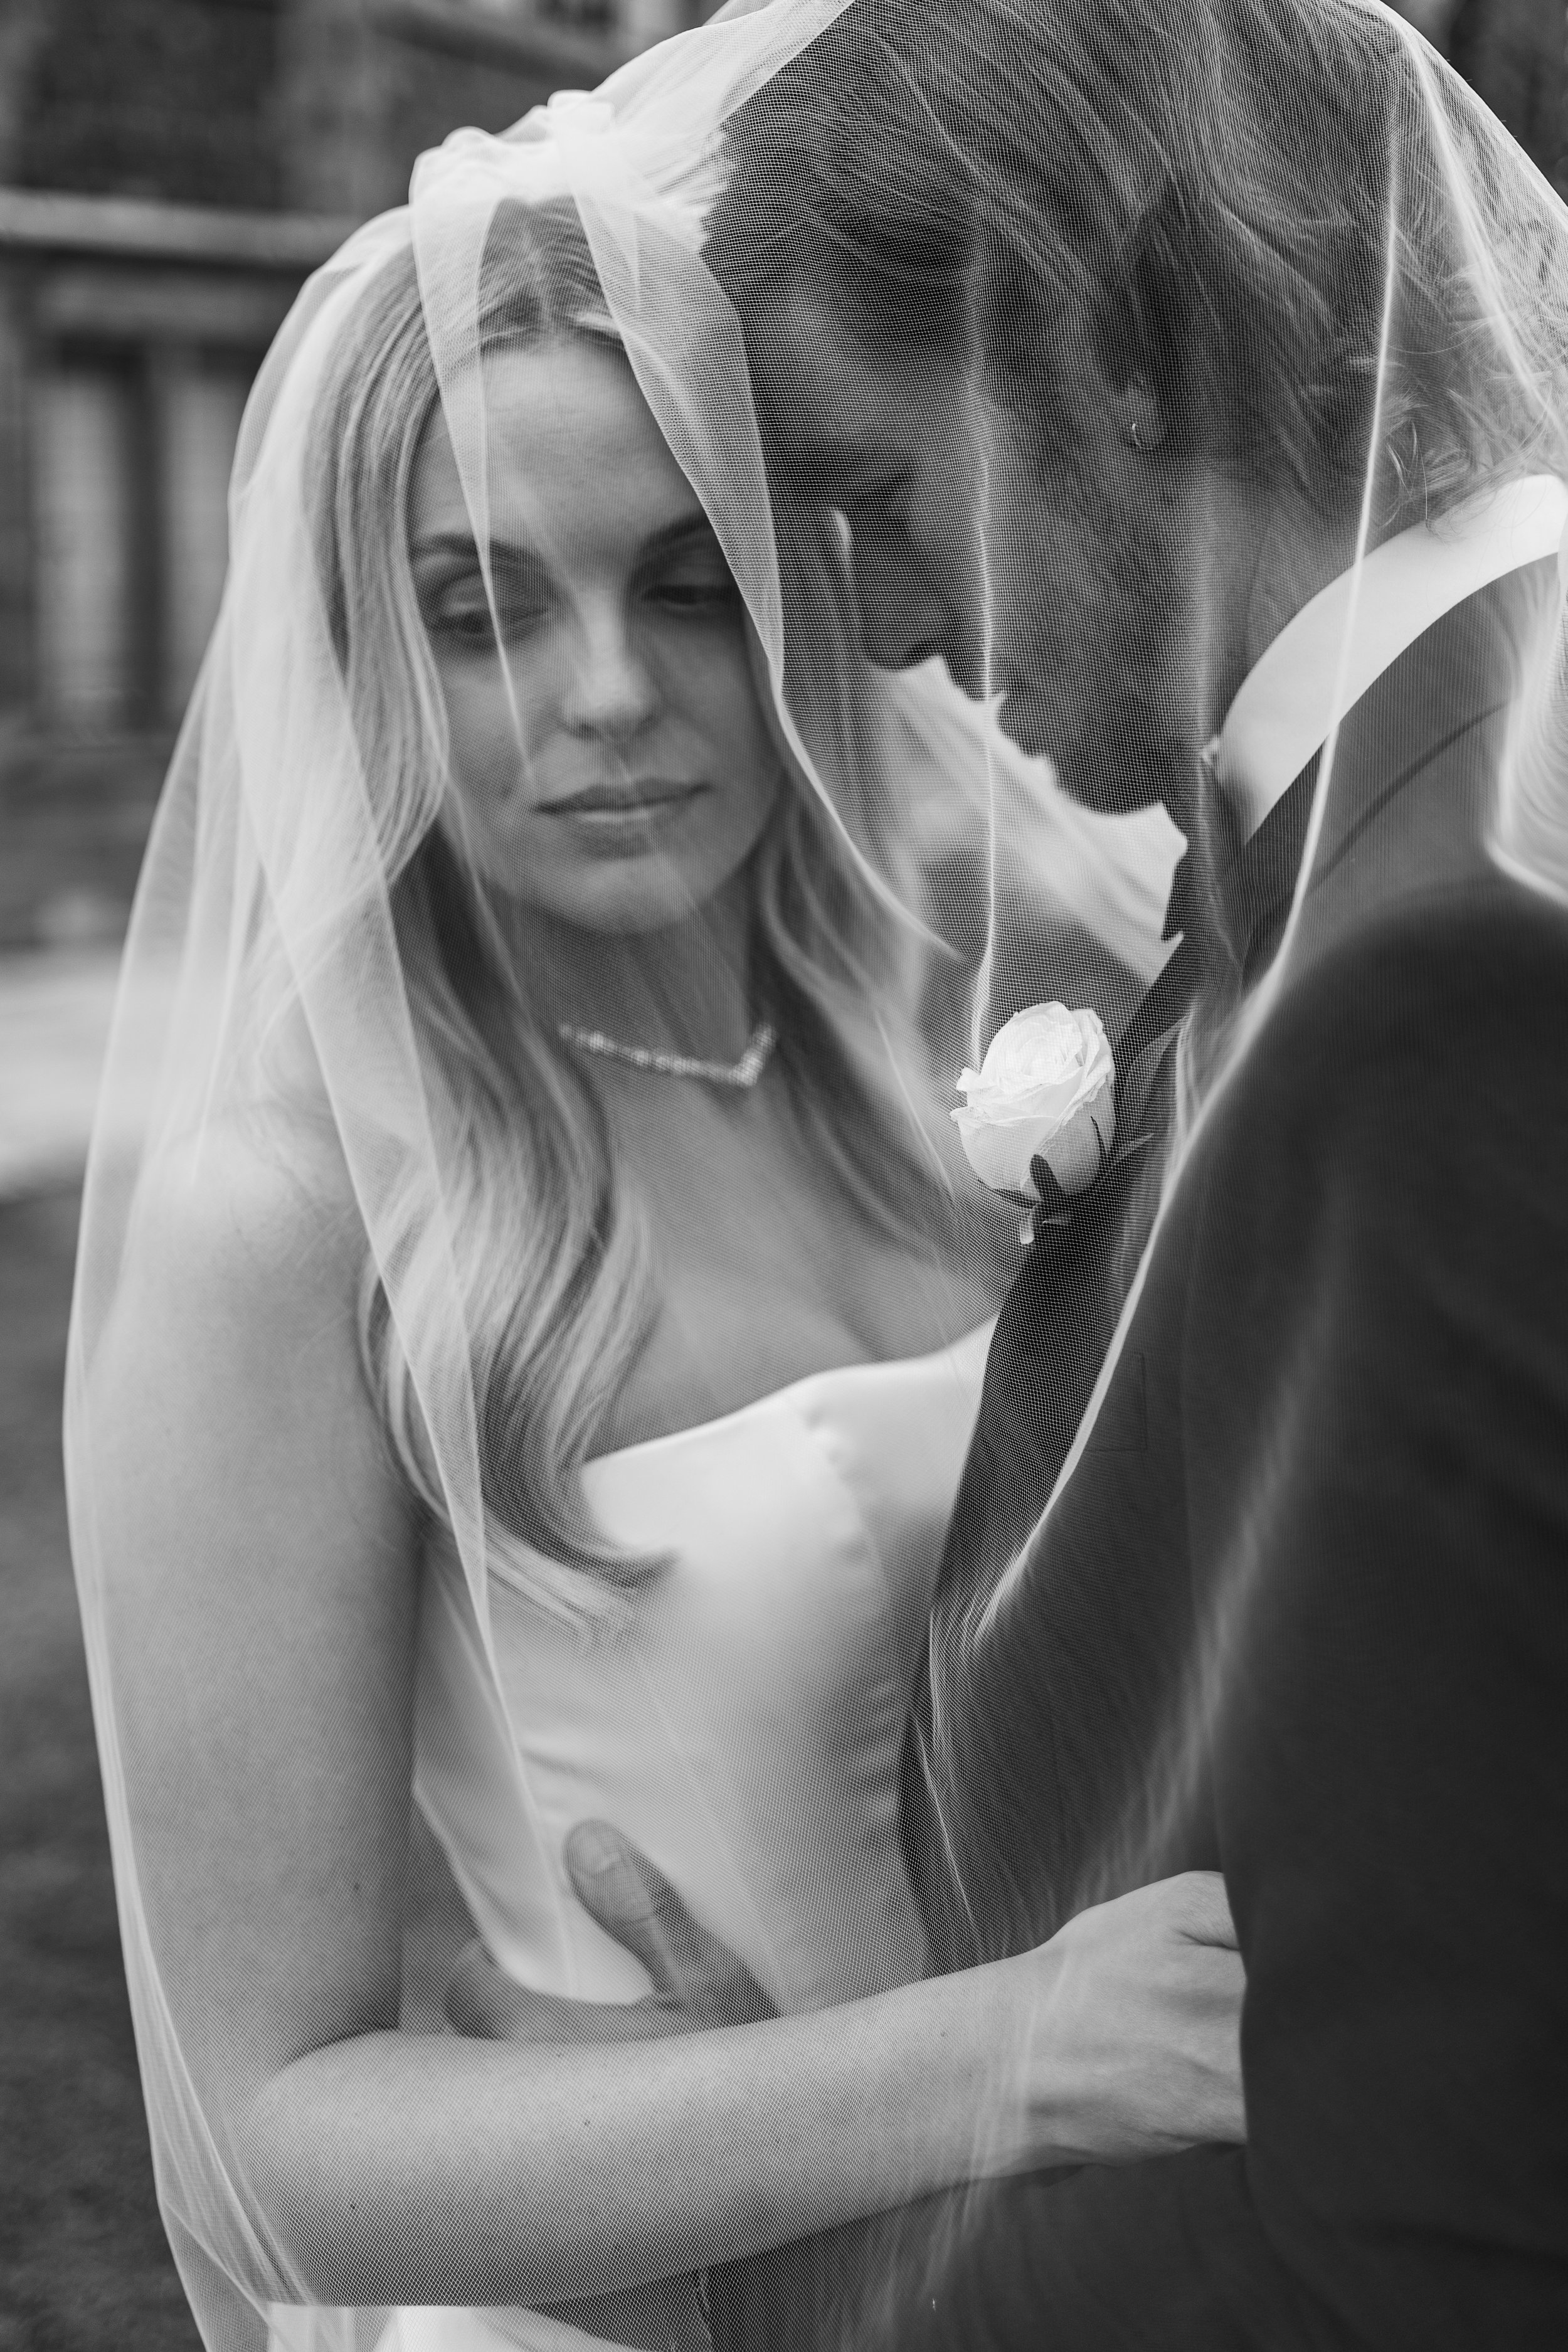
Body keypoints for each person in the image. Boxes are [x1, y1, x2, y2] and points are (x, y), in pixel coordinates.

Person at [64, 93, 1246, 2352]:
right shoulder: (300, 1223)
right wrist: (987, 2064)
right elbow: (280, 2141)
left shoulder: (977, 1055)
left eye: (685, 585)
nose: (602, 696)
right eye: (483, 608)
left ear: (802, 595)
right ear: (361, 656)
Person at [442, 2, 1568, 2344]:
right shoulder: (1388, 818)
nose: (890, 618)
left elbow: (1437, 2197)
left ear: (1101, 350)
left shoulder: (1435, 963)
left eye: (867, 488)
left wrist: (775, 2250)